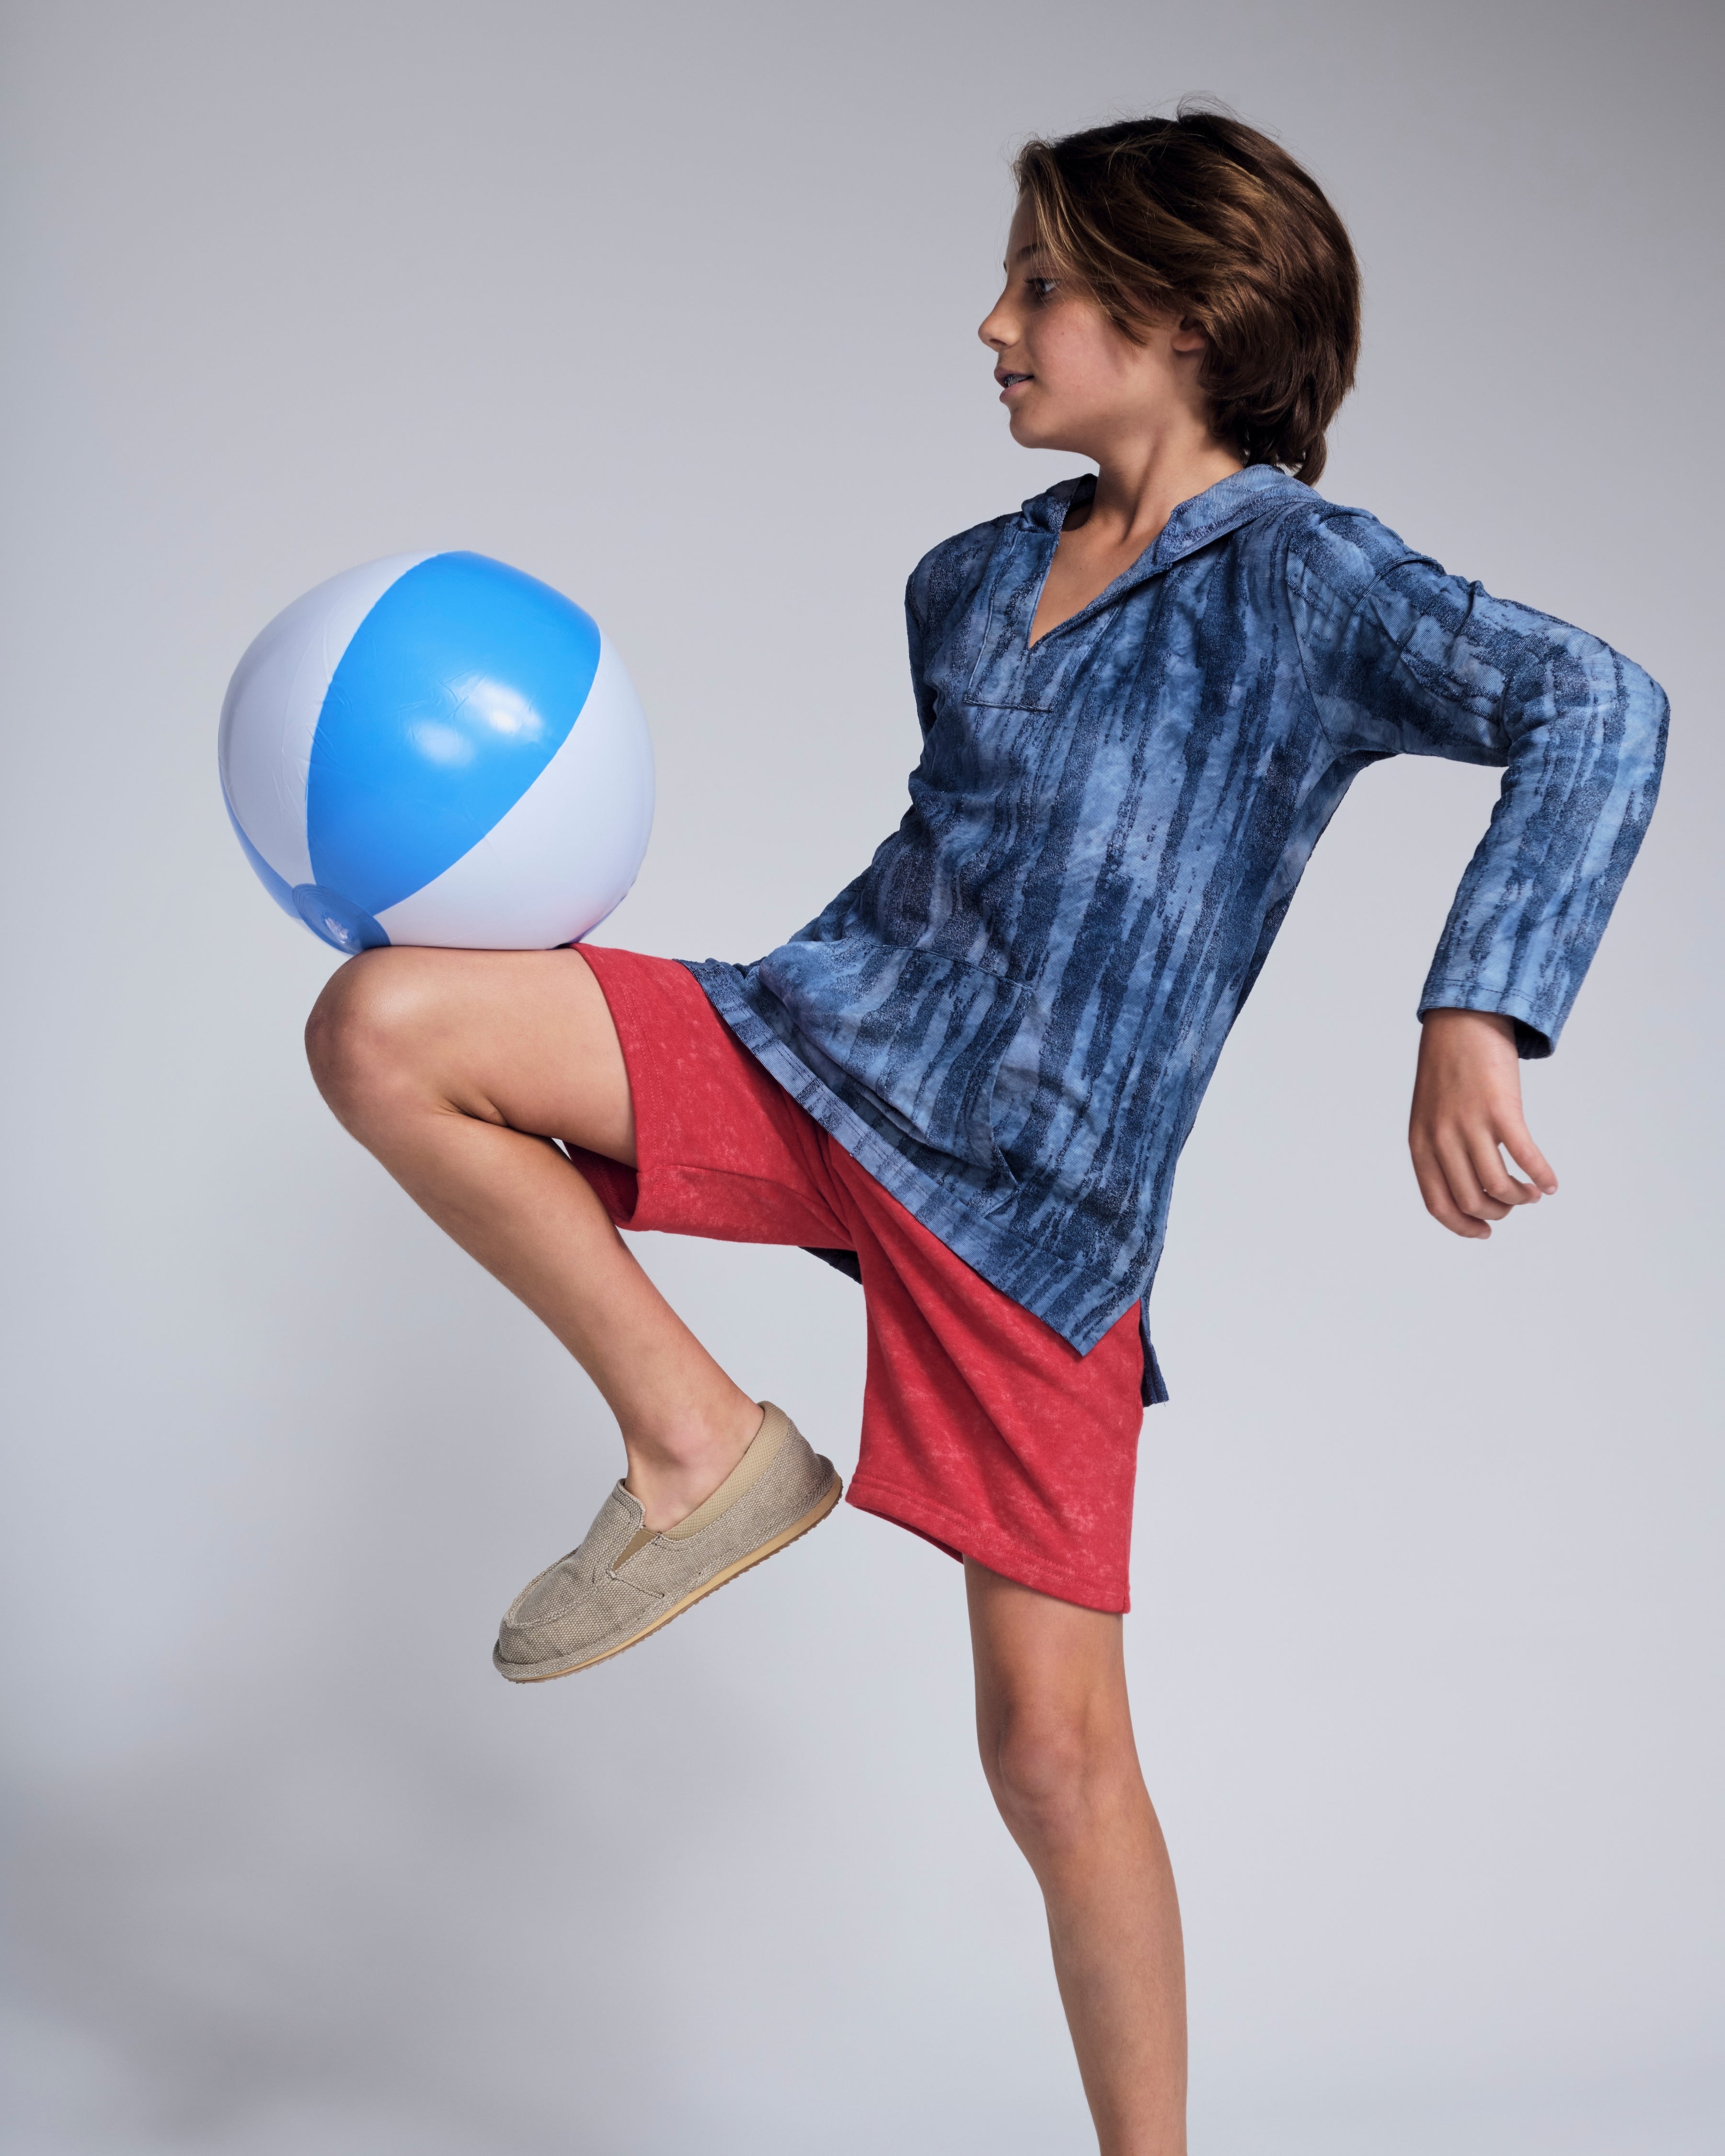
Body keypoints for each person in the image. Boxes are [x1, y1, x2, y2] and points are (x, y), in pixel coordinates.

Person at [302, 109, 1667, 2156]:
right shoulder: (968, 582)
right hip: (821, 1047)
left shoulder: (1303, 576)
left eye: (1038, 284)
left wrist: (1479, 1007)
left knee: (1052, 1759)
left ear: (1185, 313)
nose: (993, 324)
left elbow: (1601, 703)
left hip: (1038, 1208)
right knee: (388, 1023)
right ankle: (702, 1444)